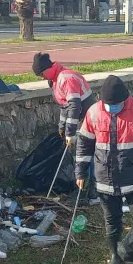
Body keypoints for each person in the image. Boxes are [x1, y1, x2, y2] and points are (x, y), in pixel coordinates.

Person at [76, 76, 133, 264]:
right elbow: (84, 145)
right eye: (109, 105)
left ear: (125, 99)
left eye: (117, 105)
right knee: (111, 220)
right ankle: (115, 255)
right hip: (105, 178)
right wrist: (80, 172)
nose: (113, 108)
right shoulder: (94, 112)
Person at [32, 52, 100, 205]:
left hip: (88, 119)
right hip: (84, 118)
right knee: (84, 156)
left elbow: (75, 106)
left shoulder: (65, 79)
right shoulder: (56, 79)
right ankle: (90, 192)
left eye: (42, 73)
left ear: (47, 68)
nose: (42, 77)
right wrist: (62, 127)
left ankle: (85, 193)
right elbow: (65, 106)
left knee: (83, 156)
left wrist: (70, 133)